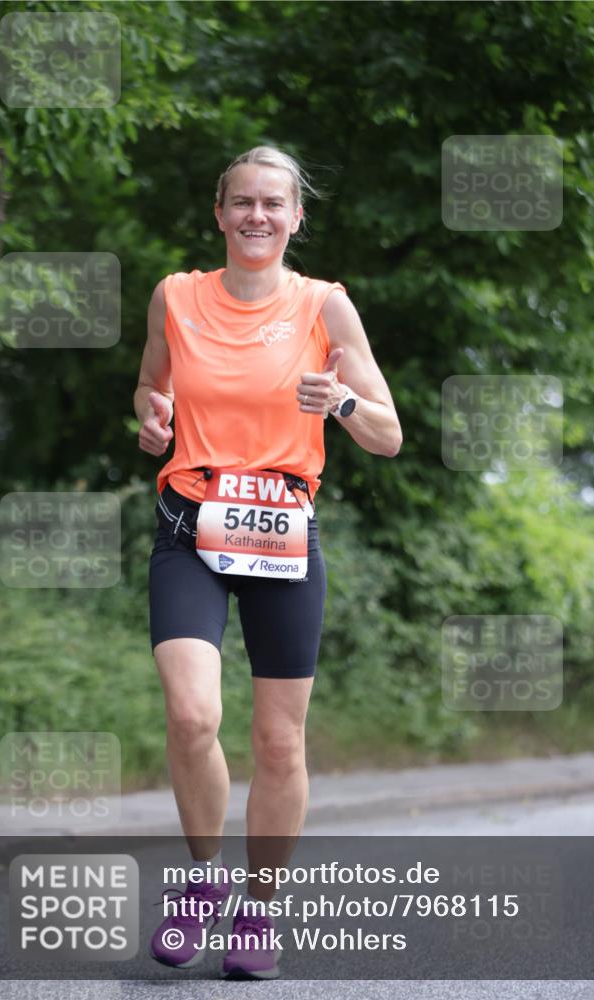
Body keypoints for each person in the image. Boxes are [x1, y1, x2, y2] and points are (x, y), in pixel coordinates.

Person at [134, 146, 402, 980]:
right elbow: (151, 390)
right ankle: (203, 882)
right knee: (191, 717)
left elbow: (387, 435)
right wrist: (151, 418)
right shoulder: (175, 296)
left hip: (283, 537)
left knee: (280, 743)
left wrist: (345, 401)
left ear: (295, 218)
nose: (256, 216)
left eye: (272, 205)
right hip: (189, 526)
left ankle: (257, 909)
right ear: (220, 213)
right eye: (242, 202)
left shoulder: (325, 307)